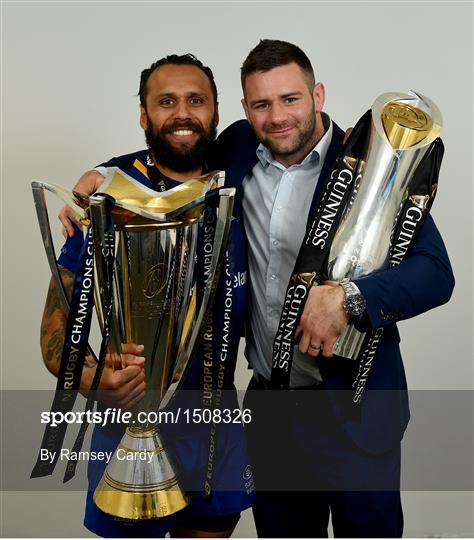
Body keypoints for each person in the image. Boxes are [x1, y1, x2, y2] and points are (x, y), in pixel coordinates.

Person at [61, 40, 454, 538]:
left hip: (356, 410)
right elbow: (174, 144)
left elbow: (436, 274)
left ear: (318, 96)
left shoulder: (371, 166)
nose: (278, 118)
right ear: (245, 112)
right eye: (262, 105)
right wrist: (105, 174)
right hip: (272, 412)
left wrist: (347, 299)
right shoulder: (239, 151)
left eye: (290, 99)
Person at [41, 53, 254, 538]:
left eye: (196, 100)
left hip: (215, 427)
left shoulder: (240, 178)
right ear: (144, 115)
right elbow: (54, 332)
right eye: (166, 101)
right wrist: (96, 383)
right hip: (128, 425)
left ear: (216, 113)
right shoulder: (106, 200)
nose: (182, 113)